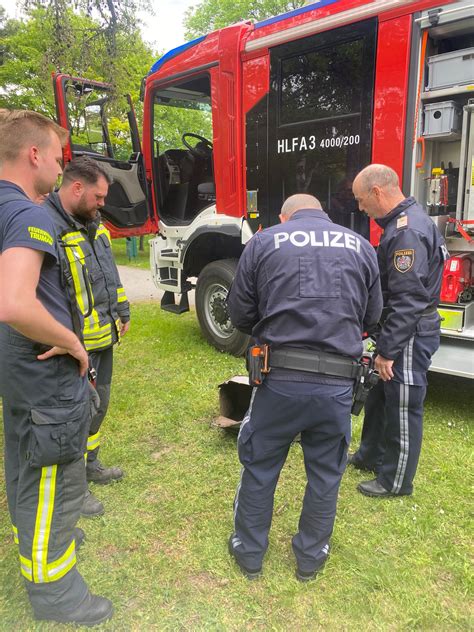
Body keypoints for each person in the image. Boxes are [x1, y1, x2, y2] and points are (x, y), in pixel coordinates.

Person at [227, 193, 383, 581]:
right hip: (337, 385)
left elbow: (240, 314)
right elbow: (373, 315)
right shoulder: (361, 246)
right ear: (323, 214)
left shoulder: (265, 241)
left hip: (278, 381)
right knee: (326, 474)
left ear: (285, 215)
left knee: (261, 466)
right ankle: (310, 559)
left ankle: (249, 555)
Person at [0, 110, 113, 624]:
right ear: (34, 155)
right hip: (43, 377)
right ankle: (56, 595)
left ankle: (44, 545)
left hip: (19, 377)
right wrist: (73, 342)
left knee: (28, 471)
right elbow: (16, 303)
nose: (60, 165)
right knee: (51, 482)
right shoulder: (28, 215)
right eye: (57, 155)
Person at [349, 164, 447, 497]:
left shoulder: (407, 231)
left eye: (362, 200)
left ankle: (396, 481)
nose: (361, 208)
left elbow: (409, 299)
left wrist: (389, 350)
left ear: (377, 192)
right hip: (396, 327)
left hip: (409, 331)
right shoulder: (402, 223)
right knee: (378, 394)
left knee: (403, 403)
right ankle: (369, 455)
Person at [43, 156, 130, 517]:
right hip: (71, 347)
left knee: (99, 406)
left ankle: (90, 463)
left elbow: (109, 274)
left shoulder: (94, 225)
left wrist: (122, 311)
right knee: (74, 416)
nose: (102, 204)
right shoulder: (46, 227)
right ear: (76, 188)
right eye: (98, 196)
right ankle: (72, 490)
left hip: (102, 340)